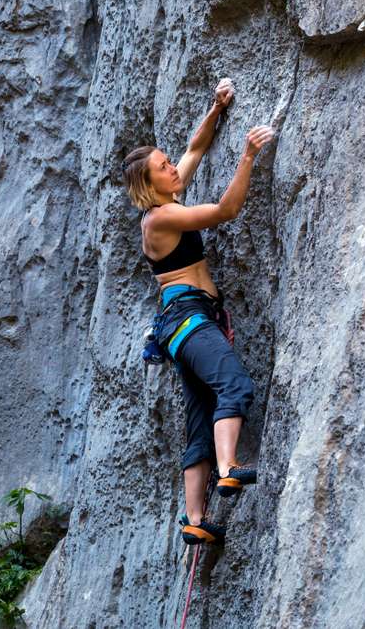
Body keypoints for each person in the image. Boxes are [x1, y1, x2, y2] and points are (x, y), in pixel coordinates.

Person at [122, 80, 274, 545]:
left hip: (179, 325)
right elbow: (227, 210)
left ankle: (194, 519)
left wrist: (216, 108)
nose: (174, 169)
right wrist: (247, 155)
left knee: (200, 413)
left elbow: (195, 148)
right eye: (164, 168)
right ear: (150, 185)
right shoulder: (162, 218)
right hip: (188, 317)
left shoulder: (164, 202)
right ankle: (228, 468)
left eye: (168, 162)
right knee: (234, 384)